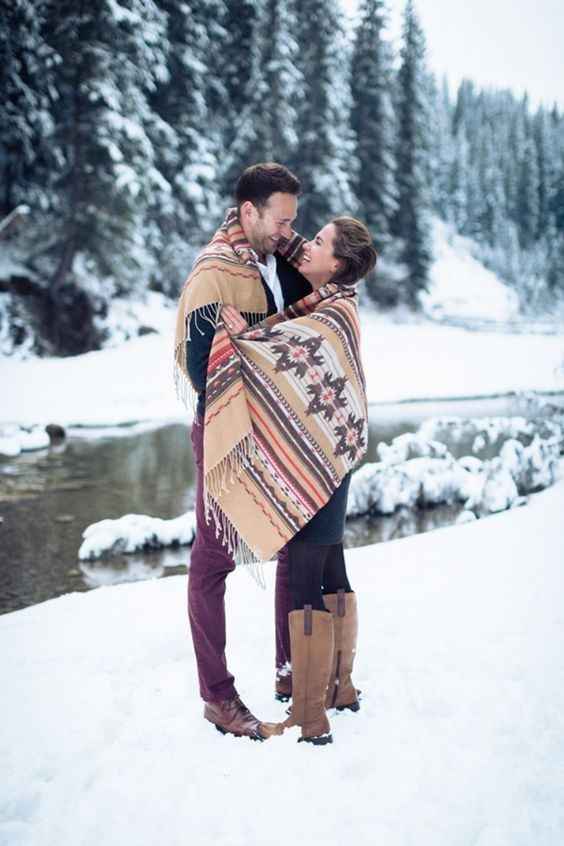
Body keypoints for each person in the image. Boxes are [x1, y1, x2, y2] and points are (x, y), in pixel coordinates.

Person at [220, 217, 377, 744]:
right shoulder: (335, 299)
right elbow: (293, 249)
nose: (306, 243)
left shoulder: (330, 315)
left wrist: (242, 336)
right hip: (336, 454)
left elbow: (279, 353)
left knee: (308, 579)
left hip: (324, 460)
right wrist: (248, 222)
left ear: (336, 261)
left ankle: (310, 718)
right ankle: (342, 688)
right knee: (332, 566)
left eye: (319, 241)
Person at [174, 162, 311, 741]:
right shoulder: (212, 277)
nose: (289, 232)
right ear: (248, 212)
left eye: (294, 223)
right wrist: (252, 345)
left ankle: (289, 672)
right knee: (213, 560)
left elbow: (320, 294)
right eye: (281, 221)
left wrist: (262, 333)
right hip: (229, 433)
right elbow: (203, 373)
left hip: (277, 428)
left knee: (292, 542)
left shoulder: (279, 259)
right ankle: (218, 698)